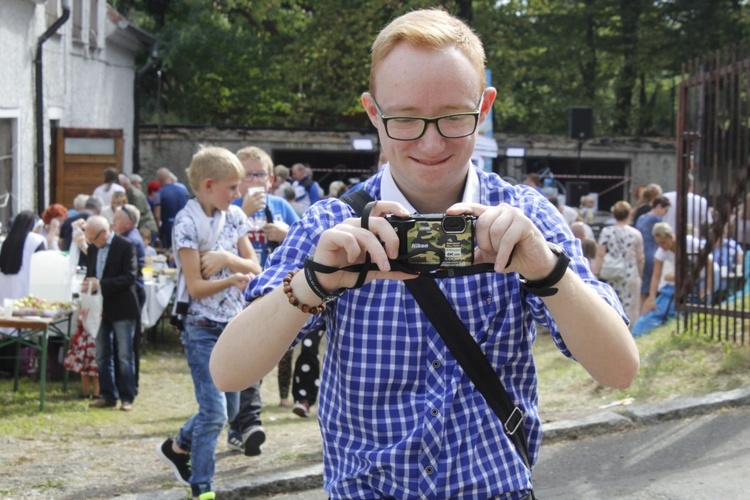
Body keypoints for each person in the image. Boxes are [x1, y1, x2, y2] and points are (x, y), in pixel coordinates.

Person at [210, 9, 639, 499]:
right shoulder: (333, 224)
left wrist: (546, 271)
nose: (431, 142)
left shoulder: (525, 216)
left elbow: (619, 370)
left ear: (484, 108)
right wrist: (315, 282)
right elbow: (229, 371)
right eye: (406, 119)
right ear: (374, 113)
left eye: (454, 117)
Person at [156, 146, 261, 500]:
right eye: (232, 187)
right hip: (201, 327)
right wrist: (232, 278)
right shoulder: (185, 223)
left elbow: (255, 265)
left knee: (228, 410)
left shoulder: (233, 217)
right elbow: (197, 287)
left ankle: (177, 445)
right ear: (209, 184)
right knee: (214, 411)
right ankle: (202, 486)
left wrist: (226, 258)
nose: (238, 194)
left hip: (232, 324)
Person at [226, 145, 299, 455]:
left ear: (270, 180)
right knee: (243, 360)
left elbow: (311, 243)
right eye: (246, 175)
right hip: (235, 295)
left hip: (276, 296)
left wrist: (287, 234)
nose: (254, 181)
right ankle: (246, 424)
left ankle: (242, 426)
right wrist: (242, 213)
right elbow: (215, 247)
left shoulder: (281, 206)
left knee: (259, 360)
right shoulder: (229, 208)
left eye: (259, 174)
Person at [83, 216, 139, 412]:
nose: (92, 243)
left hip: (122, 306)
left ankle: (127, 397)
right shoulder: (92, 249)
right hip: (99, 307)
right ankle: (107, 395)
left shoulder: (125, 245)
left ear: (104, 232)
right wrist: (88, 284)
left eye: (93, 238)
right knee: (101, 354)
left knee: (124, 354)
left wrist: (101, 284)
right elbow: (91, 272)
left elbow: (130, 277)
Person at [593, 201, 644, 325]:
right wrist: (640, 274)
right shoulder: (635, 233)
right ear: (629, 214)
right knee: (630, 306)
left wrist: (596, 272)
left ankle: (614, 328)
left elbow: (600, 254)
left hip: (611, 272)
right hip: (630, 272)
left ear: (613, 215)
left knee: (612, 302)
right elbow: (640, 257)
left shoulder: (606, 231)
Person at [112, 204, 146, 388]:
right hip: (130, 291)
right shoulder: (127, 237)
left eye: (117, 220)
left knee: (128, 342)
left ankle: (129, 383)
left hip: (131, 293)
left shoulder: (130, 241)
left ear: (129, 222)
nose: (113, 223)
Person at [0, 211, 47, 304]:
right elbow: (43, 262)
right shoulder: (36, 239)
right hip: (27, 288)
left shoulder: (6, 240)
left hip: (4, 289)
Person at [635, 196, 671, 306]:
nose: (665, 214)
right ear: (659, 206)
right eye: (666, 210)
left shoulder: (641, 217)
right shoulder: (657, 220)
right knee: (652, 290)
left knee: (642, 290)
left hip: (641, 254)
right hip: (653, 256)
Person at [663, 172, 712, 239]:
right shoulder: (701, 200)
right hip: (693, 239)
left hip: (669, 239)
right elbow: (707, 222)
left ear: (676, 184)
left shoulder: (665, 197)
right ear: (692, 186)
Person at [156, 167, 189, 251]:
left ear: (160, 179)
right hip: (184, 225)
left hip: (168, 227)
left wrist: (158, 231)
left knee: (168, 252)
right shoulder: (183, 189)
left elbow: (157, 215)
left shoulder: (159, 193)